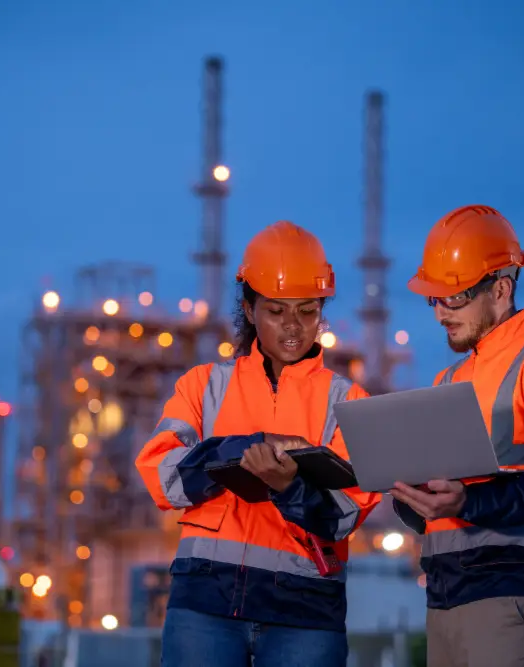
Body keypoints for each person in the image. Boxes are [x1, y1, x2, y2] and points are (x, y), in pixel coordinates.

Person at [135, 220, 381, 667]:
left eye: (308, 311)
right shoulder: (202, 386)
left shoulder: (349, 400)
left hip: (304, 610)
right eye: (277, 310)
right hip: (205, 603)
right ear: (249, 309)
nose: (294, 327)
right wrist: (241, 451)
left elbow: (346, 514)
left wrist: (289, 487)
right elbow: (163, 479)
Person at [390, 205, 524, 667]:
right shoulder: (447, 381)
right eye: (435, 300)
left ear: (501, 289)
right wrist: (413, 496)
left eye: (454, 298)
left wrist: (467, 501)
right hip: (447, 599)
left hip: (517, 596)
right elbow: (442, 506)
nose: (440, 314)